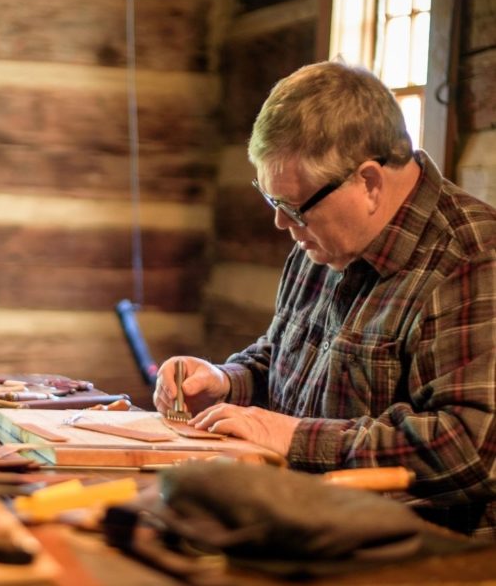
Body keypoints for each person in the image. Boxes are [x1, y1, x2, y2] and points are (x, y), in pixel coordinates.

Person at [153, 61, 496, 539]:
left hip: (414, 552)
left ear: (369, 183)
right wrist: (225, 383)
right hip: (299, 521)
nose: (282, 225)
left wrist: (292, 436)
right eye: (273, 203)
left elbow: (470, 448)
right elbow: (281, 360)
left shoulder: (473, 260)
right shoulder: (320, 238)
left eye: (293, 207)